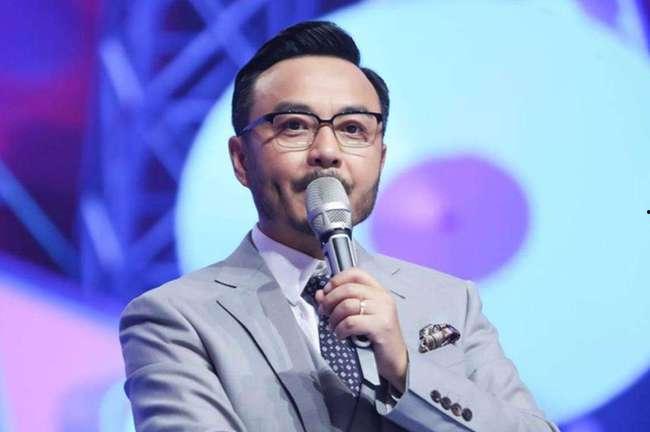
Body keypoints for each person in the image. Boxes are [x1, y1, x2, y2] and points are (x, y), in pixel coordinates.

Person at [120, 21, 559, 432]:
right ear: (241, 160)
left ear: (380, 158)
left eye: (352, 128)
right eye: (294, 126)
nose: (327, 151)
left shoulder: (450, 302)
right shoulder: (175, 318)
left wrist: (405, 369)